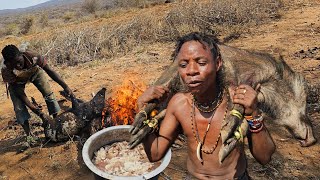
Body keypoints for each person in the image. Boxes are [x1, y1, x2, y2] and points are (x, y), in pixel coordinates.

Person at [136, 32, 276, 179]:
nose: (191, 71)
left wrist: (253, 114)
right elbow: (155, 153)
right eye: (183, 65)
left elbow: (265, 157)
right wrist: (141, 109)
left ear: (218, 63)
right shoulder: (179, 104)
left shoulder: (237, 101)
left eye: (201, 63)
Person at [1, 44, 73, 146]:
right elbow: (20, 93)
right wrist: (38, 112)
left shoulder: (33, 56)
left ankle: (55, 122)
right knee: (19, 108)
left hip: (35, 72)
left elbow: (49, 71)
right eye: (14, 65)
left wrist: (65, 87)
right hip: (17, 83)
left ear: (21, 55)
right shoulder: (6, 69)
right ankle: (29, 135)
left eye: (19, 62)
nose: (18, 66)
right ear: (8, 64)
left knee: (49, 94)